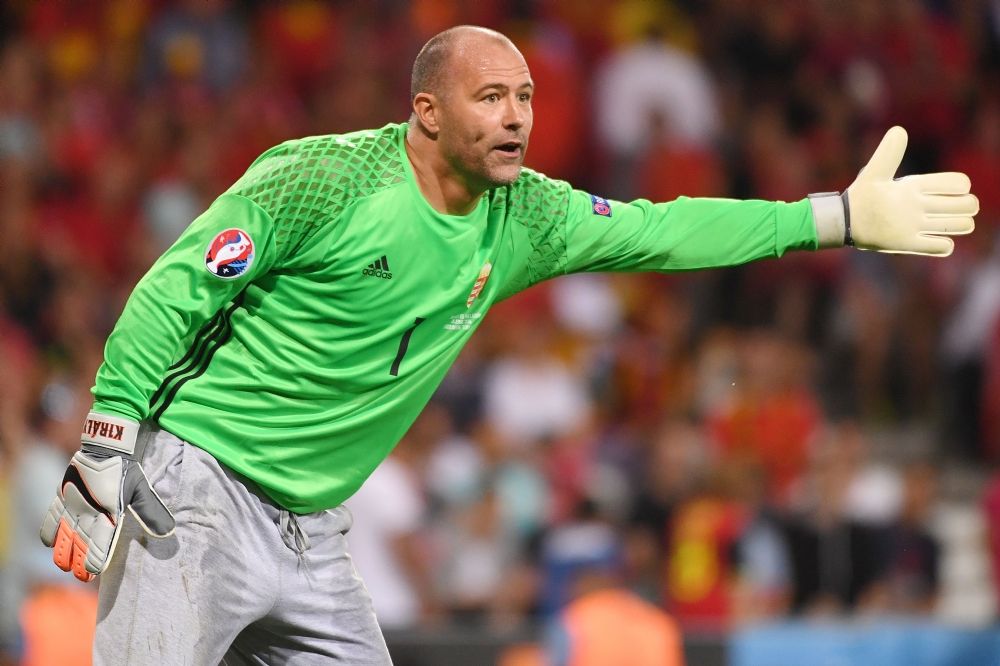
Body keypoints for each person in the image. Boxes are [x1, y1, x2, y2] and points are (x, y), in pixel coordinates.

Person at [37, 24, 978, 665]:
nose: (519, 115)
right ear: (428, 111)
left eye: (525, 96)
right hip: (195, 494)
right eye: (490, 97)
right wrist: (108, 442)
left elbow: (663, 229)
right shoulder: (322, 179)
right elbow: (177, 287)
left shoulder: (526, 216)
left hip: (311, 531)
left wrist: (833, 216)